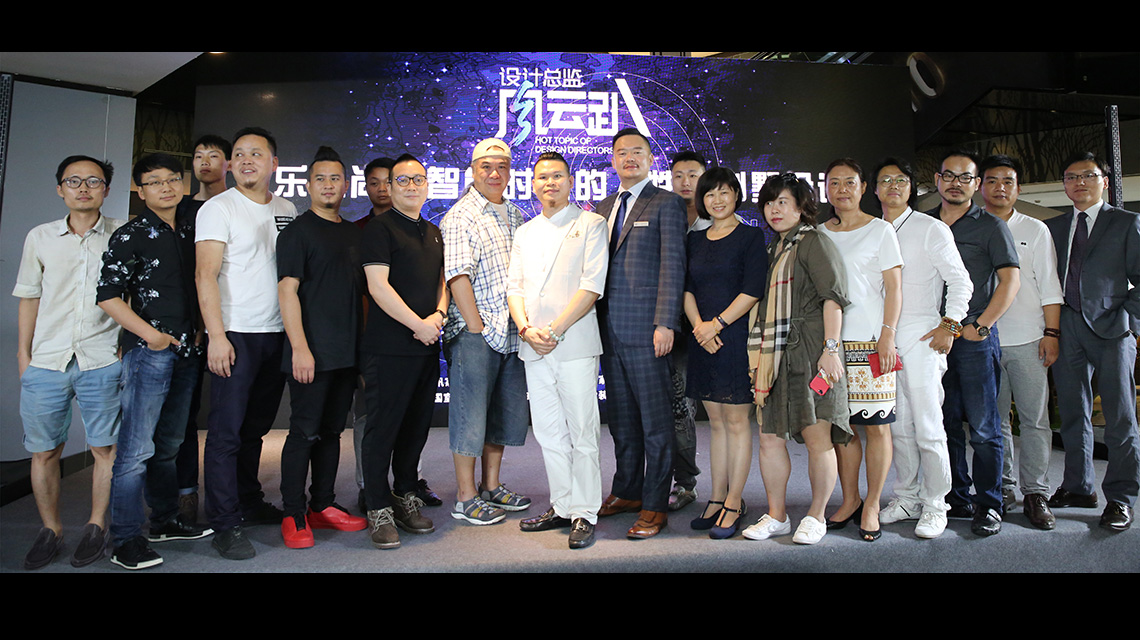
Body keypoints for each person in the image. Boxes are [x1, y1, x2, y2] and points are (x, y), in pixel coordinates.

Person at [98, 153, 213, 570]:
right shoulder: (130, 235)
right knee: (135, 451)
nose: (165, 187)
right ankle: (125, 539)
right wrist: (151, 336)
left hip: (188, 351)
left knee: (169, 445)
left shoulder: (193, 228)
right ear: (141, 191)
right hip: (150, 353)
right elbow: (108, 295)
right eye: (154, 182)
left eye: (171, 180)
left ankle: (164, 521)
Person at [15, 156, 124, 570]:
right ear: (60, 189)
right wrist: (24, 354)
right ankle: (51, 529)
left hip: (101, 357)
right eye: (73, 181)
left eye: (93, 181)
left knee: (105, 449)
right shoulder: (40, 237)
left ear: (106, 189)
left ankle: (96, 525)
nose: (83, 188)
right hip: (47, 360)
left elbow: (133, 294)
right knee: (44, 451)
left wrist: (124, 346)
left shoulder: (121, 234)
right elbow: (30, 296)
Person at [195, 127, 297, 559]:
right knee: (226, 432)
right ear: (230, 164)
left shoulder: (287, 208)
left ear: (274, 163)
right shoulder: (218, 208)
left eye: (256, 153)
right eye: (239, 154)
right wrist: (216, 335)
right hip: (235, 333)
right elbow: (205, 275)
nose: (246, 160)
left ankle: (248, 500)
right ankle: (224, 522)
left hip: (277, 332)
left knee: (255, 428)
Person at [509, 152, 609, 549]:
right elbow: (515, 287)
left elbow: (592, 285)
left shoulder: (590, 224)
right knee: (548, 431)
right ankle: (563, 504)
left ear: (571, 181)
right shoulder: (525, 231)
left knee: (582, 430)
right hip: (533, 344)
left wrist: (553, 329)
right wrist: (525, 329)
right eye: (542, 177)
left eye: (557, 176)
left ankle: (585, 512)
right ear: (532, 184)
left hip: (574, 343)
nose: (549, 183)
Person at [743, 173, 849, 546]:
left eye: (783, 202)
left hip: (811, 351)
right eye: (769, 203)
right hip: (774, 356)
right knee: (769, 438)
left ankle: (816, 516)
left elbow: (833, 298)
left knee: (818, 438)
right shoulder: (775, 247)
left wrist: (830, 350)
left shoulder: (814, 242)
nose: (774, 209)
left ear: (802, 207)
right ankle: (777, 515)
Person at [596, 128, 687, 539]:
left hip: (649, 330)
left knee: (655, 423)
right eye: (621, 152)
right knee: (621, 421)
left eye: (637, 152)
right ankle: (627, 491)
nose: (628, 158)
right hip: (608, 331)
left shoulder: (667, 203)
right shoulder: (603, 207)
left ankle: (654, 504)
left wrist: (666, 322)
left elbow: (674, 265)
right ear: (613, 160)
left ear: (651, 159)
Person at [873, 158, 971, 539]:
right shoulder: (873, 230)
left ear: (911, 187)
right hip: (884, 341)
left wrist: (950, 324)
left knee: (929, 426)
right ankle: (908, 496)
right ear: (874, 189)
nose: (893, 186)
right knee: (897, 426)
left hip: (922, 337)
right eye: (885, 180)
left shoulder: (931, 229)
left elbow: (961, 282)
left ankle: (936, 503)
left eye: (900, 180)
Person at [276, 146, 368, 549]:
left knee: (332, 432)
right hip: (310, 352)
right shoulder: (297, 232)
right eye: (320, 179)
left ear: (346, 185)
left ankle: (323, 504)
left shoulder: (354, 234)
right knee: (304, 433)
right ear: (308, 185)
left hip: (346, 353)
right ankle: (293, 513)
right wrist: (300, 348)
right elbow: (287, 291)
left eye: (335, 178)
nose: (328, 185)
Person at [1044, 151, 1140, 531]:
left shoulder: (1127, 222)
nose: (1079, 182)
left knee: (1120, 417)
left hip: (1113, 329)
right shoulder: (1053, 227)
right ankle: (1078, 486)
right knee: (1072, 412)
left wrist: (1127, 318)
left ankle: (1121, 497)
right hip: (1066, 327)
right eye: (1071, 177)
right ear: (1064, 185)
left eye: (1088, 175)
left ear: (1104, 181)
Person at [927, 149, 1020, 537]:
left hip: (973, 339)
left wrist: (981, 326)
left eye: (965, 177)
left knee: (983, 427)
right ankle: (956, 496)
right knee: (944, 423)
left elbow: (1010, 281)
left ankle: (990, 504)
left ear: (976, 184)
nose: (955, 183)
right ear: (937, 180)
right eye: (948, 175)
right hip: (932, 339)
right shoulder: (924, 223)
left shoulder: (991, 226)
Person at [440, 138, 531, 525]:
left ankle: (491, 485)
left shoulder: (516, 214)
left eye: (502, 166)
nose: (495, 173)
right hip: (475, 333)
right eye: (486, 166)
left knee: (501, 415)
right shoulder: (460, 216)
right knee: (470, 415)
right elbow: (457, 276)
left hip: (511, 332)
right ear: (473, 170)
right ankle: (465, 496)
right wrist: (476, 327)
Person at [359, 153, 447, 548]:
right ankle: (378, 506)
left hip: (426, 347)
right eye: (403, 180)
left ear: (427, 185)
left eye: (418, 179)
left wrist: (439, 315)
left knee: (415, 429)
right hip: (389, 349)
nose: (412, 186)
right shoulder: (379, 229)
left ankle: (406, 495)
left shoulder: (433, 231)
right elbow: (378, 287)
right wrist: (418, 325)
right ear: (390, 187)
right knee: (383, 431)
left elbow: (442, 281)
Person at [818, 158, 903, 542]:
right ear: (826, 189)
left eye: (849, 182)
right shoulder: (819, 234)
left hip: (871, 342)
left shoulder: (880, 230)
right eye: (834, 183)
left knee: (878, 426)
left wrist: (888, 335)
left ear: (863, 187)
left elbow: (894, 288)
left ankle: (872, 505)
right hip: (831, 346)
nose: (842, 190)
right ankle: (850, 499)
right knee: (844, 428)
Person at [979, 154, 1063, 530]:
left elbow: (1050, 286)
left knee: (1035, 420)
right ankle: (1002, 488)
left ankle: (1036, 492)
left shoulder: (1035, 229)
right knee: (993, 422)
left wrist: (1051, 333)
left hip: (1030, 338)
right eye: (992, 180)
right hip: (984, 340)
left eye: (1008, 181)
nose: (1000, 188)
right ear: (980, 186)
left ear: (1017, 188)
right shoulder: (970, 227)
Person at [682, 168, 766, 539]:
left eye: (724, 192)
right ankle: (716, 497)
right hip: (702, 338)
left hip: (734, 338)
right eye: (710, 194)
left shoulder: (750, 236)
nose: (717, 200)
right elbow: (686, 289)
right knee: (715, 423)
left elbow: (753, 290)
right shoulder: (694, 240)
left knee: (736, 422)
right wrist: (700, 328)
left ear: (736, 194)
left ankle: (734, 501)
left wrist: (715, 325)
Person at [177, 133, 232, 525]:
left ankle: (233, 497)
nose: (205, 162)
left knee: (229, 419)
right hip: (186, 328)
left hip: (234, 327)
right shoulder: (179, 210)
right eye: (198, 156)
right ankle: (185, 493)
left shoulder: (237, 205)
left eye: (214, 155)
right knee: (183, 415)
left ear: (228, 163)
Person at [664, 150, 707, 511]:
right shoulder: (664, 217)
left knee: (722, 414)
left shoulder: (721, 221)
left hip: (713, 329)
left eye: (693, 175)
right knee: (676, 406)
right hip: (672, 327)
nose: (685, 182)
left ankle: (723, 490)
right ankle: (682, 482)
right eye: (678, 175)